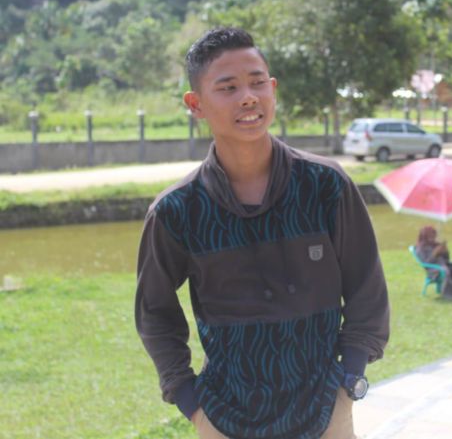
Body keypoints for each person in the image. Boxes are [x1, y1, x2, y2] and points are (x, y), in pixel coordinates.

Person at [134, 27, 389, 439]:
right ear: (196, 104)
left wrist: (348, 382)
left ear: (273, 89)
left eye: (257, 83)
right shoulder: (176, 210)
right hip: (224, 419)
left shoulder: (325, 185)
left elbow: (367, 289)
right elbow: (154, 314)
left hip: (326, 413)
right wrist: (192, 405)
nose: (248, 97)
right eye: (228, 87)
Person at [415, 225, 452, 300]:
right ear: (425, 237)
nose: (433, 239)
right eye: (431, 237)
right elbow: (426, 264)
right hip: (434, 270)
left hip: (444, 264)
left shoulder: (436, 245)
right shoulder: (420, 249)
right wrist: (434, 254)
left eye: (434, 236)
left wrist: (445, 252)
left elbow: (447, 259)